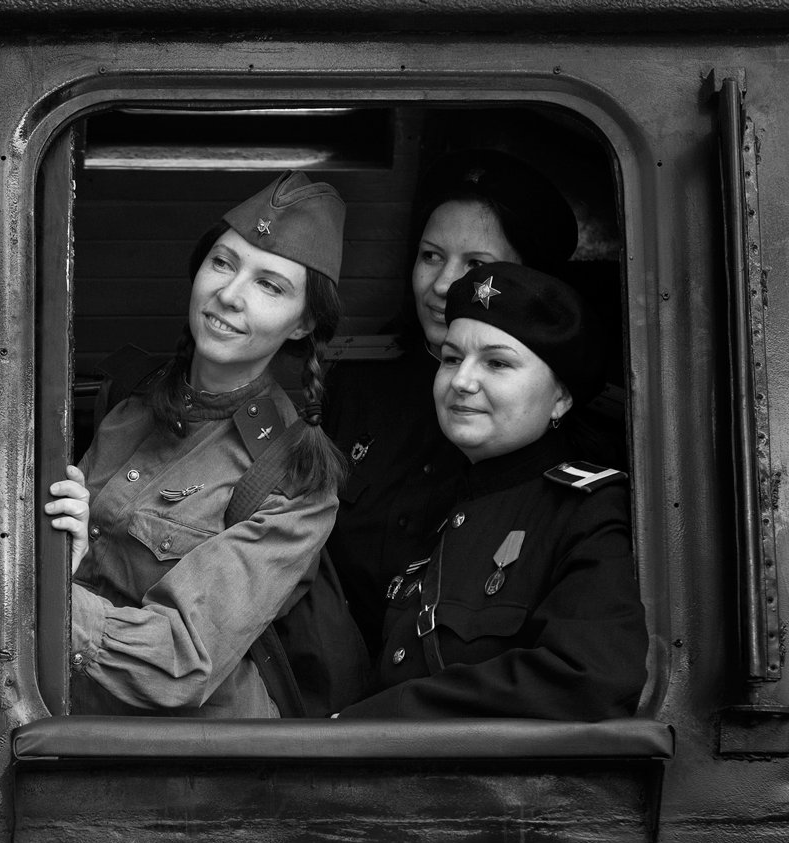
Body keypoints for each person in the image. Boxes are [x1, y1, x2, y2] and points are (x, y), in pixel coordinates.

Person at [44, 171, 348, 717]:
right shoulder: (131, 397)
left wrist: (37, 593)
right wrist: (66, 557)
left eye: (269, 286)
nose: (228, 295)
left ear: (303, 324)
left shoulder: (293, 477)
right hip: (65, 714)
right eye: (223, 263)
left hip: (189, 753)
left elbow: (180, 656)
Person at [338, 261, 647, 720]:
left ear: (561, 397)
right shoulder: (437, 505)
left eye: (497, 363)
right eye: (451, 358)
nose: (461, 381)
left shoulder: (587, 511)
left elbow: (589, 676)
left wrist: (382, 718)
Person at [322, 149, 581, 654]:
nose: (442, 284)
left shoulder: (551, 413)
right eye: (431, 256)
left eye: (476, 265)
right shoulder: (356, 382)